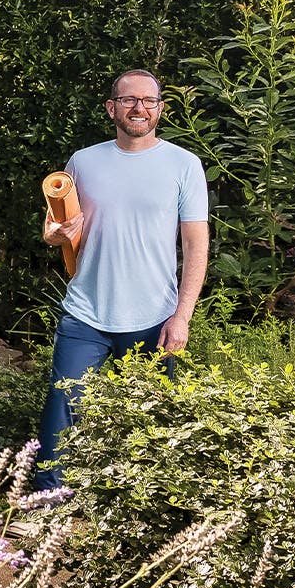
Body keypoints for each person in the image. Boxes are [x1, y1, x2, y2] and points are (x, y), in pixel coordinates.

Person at [35, 68, 209, 487]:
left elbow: (196, 246)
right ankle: (44, 504)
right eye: (130, 100)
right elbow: (54, 227)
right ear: (113, 108)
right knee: (63, 409)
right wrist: (54, 234)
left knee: (153, 420)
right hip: (86, 312)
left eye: (149, 101)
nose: (139, 108)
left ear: (160, 109)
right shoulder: (83, 161)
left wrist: (181, 316)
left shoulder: (184, 165)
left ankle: (138, 513)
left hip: (154, 316)